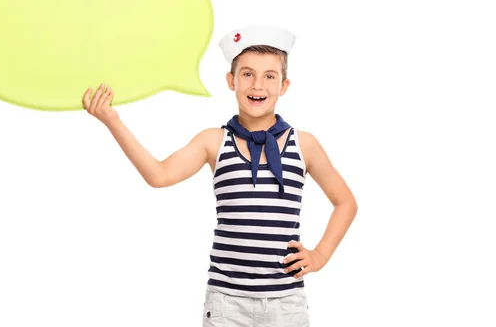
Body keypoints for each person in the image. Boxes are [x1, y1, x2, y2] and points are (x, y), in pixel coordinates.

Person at [82, 25, 358, 326]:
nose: (258, 85)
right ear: (231, 80)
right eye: (247, 74)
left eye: (270, 76)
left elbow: (345, 202)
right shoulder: (214, 141)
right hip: (227, 302)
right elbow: (158, 175)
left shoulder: (303, 145)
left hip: (285, 302)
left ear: (284, 85)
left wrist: (319, 255)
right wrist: (112, 121)